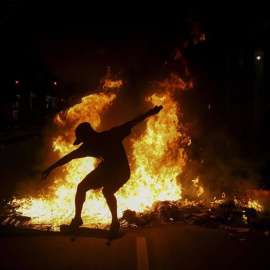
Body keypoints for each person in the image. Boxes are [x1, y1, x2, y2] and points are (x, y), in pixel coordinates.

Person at [42, 105, 163, 235]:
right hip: (107, 169)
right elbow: (69, 157)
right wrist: (51, 168)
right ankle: (77, 219)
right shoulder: (89, 146)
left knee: (107, 191)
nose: (83, 142)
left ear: (89, 135)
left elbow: (133, 122)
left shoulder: (112, 134)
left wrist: (151, 112)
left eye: (83, 139)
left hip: (121, 171)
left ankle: (115, 222)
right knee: (82, 187)